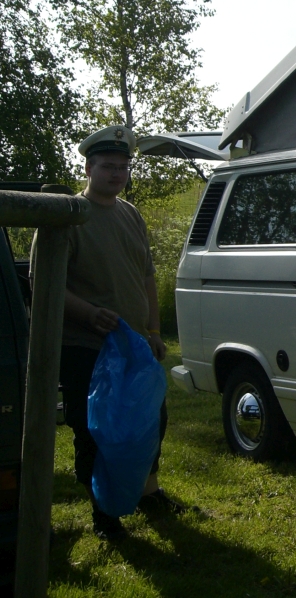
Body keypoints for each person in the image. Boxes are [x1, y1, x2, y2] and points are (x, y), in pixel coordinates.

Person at [30, 125, 185, 540]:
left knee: (150, 420)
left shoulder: (130, 213)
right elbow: (43, 282)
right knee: (94, 430)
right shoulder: (66, 216)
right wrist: (87, 313)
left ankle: (149, 494)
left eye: (123, 167)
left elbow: (147, 276)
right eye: (108, 167)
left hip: (134, 345)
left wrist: (154, 329)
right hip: (85, 346)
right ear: (88, 168)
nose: (117, 174)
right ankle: (104, 515)